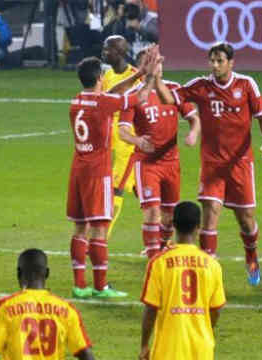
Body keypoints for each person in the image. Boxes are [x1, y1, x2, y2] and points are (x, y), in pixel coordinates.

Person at [154, 43, 262, 286]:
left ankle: (251, 255)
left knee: (246, 220)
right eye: (212, 60)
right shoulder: (201, 86)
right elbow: (169, 99)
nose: (215, 65)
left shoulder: (246, 84)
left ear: (231, 63)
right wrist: (156, 78)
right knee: (210, 215)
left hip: (240, 164)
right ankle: (208, 273)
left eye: (220, 60)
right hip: (212, 165)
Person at [67, 53, 157, 299]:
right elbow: (140, 98)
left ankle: (79, 285)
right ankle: (101, 287)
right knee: (98, 228)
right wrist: (149, 77)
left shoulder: (77, 101)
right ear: (99, 78)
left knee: (79, 227)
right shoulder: (103, 104)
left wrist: (137, 74)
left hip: (78, 171)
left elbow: (111, 93)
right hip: (98, 173)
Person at [118, 50, 200, 258]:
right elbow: (122, 130)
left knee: (169, 215)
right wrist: (137, 141)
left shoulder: (173, 90)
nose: (158, 66)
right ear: (142, 68)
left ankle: (161, 246)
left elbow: (194, 118)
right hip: (147, 164)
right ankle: (153, 255)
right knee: (152, 212)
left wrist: (193, 133)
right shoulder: (134, 96)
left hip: (171, 163)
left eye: (159, 62)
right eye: (152, 63)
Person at [139, 201, 226, 360]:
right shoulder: (213, 265)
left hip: (167, 351)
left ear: (173, 225)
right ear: (198, 227)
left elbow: (150, 309)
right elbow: (216, 310)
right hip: (202, 350)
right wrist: (206, 328)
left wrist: (144, 345)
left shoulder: (159, 262)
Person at [0, 249, 95, 360]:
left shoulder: (5, 307)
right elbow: (85, 354)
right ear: (47, 273)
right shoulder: (68, 310)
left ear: (19, 273)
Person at [101, 35, 141, 240]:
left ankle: (101, 239)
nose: (104, 52)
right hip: (110, 143)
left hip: (128, 144)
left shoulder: (136, 76)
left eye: (108, 49)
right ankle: (164, 236)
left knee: (115, 189)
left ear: (120, 52)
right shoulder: (107, 75)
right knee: (141, 189)